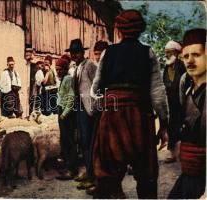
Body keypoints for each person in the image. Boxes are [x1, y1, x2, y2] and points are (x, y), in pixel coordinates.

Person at [91, 10, 169, 198]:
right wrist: (164, 124)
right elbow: (158, 93)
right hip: (139, 116)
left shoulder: (108, 53)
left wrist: (107, 104)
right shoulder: (147, 52)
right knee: (146, 172)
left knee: (106, 170)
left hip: (112, 114)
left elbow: (95, 89)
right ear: (140, 30)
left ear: (119, 30)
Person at [168, 28, 206, 199]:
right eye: (186, 56)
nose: (190, 61)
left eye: (196, 55)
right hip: (190, 169)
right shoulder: (186, 84)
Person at [66, 39, 97, 191]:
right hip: (79, 107)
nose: (74, 55)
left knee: (89, 141)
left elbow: (98, 84)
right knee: (82, 141)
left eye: (77, 52)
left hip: (89, 108)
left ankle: (93, 176)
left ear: (82, 53)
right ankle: (89, 172)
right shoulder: (77, 68)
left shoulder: (90, 65)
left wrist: (96, 106)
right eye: (72, 53)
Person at [54, 56, 78, 180]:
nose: (58, 72)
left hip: (66, 113)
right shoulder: (63, 79)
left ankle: (72, 169)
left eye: (60, 69)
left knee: (69, 141)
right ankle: (68, 166)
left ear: (65, 69)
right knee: (64, 141)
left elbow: (71, 97)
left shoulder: (68, 79)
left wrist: (64, 113)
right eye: (56, 69)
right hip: (62, 110)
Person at [163, 40, 186, 163]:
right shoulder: (166, 67)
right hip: (169, 103)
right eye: (165, 52)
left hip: (181, 103)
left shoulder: (182, 66)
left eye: (168, 52)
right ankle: (172, 154)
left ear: (175, 53)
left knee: (183, 126)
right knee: (171, 127)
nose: (166, 54)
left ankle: (183, 153)